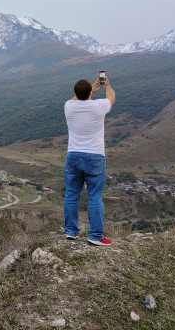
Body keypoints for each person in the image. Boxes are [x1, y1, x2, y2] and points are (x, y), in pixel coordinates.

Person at [63, 74, 116, 245]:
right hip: (94, 157)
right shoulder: (98, 106)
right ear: (90, 94)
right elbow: (111, 98)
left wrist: (87, 90)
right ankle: (96, 235)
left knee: (71, 194)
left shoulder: (69, 106)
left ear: (76, 93)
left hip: (73, 156)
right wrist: (106, 85)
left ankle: (71, 231)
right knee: (95, 197)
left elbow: (75, 99)